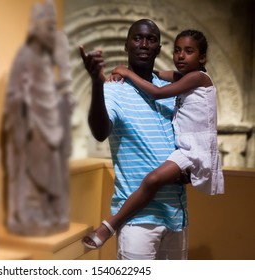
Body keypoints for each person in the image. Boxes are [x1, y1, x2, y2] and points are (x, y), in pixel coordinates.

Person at [80, 19, 189, 260]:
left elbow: (188, 140)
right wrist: (97, 85)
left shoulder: (171, 91)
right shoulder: (114, 90)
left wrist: (190, 169)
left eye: (151, 39)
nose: (144, 44)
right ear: (126, 46)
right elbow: (100, 131)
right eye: (137, 38)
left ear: (159, 49)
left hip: (176, 215)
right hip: (137, 221)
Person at [3, 0, 74, 236]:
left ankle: (46, 210)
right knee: (33, 170)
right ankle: (30, 212)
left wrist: (61, 99)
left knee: (51, 169)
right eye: (49, 28)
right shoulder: (24, 56)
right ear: (36, 28)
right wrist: (21, 104)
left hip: (50, 121)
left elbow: (55, 84)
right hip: (32, 123)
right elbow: (12, 92)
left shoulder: (46, 58)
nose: (53, 33)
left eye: (55, 27)